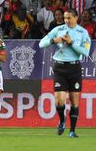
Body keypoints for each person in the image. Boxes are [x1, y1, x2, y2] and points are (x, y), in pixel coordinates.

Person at [39, 9, 91, 138]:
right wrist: (52, 41)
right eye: (65, 18)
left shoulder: (83, 32)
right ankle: (62, 121)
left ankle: (72, 131)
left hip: (74, 68)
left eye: (69, 18)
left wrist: (71, 43)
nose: (66, 20)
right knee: (59, 101)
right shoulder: (58, 30)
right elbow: (41, 44)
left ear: (76, 18)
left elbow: (85, 52)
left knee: (74, 100)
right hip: (59, 67)